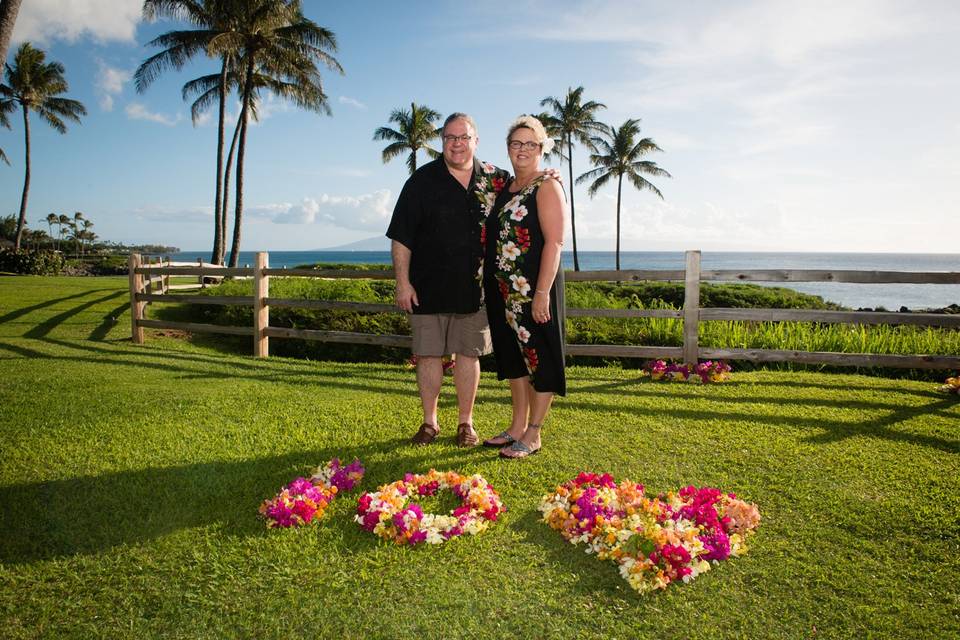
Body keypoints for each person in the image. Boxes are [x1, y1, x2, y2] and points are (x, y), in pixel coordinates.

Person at [386, 113, 510, 447]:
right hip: (427, 286)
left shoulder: (497, 180)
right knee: (428, 356)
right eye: (449, 138)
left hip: (477, 289)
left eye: (463, 137)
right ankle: (429, 423)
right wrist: (403, 283)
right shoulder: (421, 181)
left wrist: (548, 176)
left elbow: (528, 195)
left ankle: (466, 424)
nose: (457, 144)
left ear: (476, 140)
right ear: (442, 142)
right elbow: (401, 237)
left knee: (468, 355)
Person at [481, 115, 567, 459]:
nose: (522, 149)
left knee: (539, 358)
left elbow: (555, 243)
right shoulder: (505, 187)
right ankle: (516, 426)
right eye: (516, 143)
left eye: (530, 143)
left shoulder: (547, 185)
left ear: (542, 148)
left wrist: (542, 292)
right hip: (503, 292)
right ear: (507, 148)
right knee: (515, 360)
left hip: (534, 290)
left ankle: (533, 434)